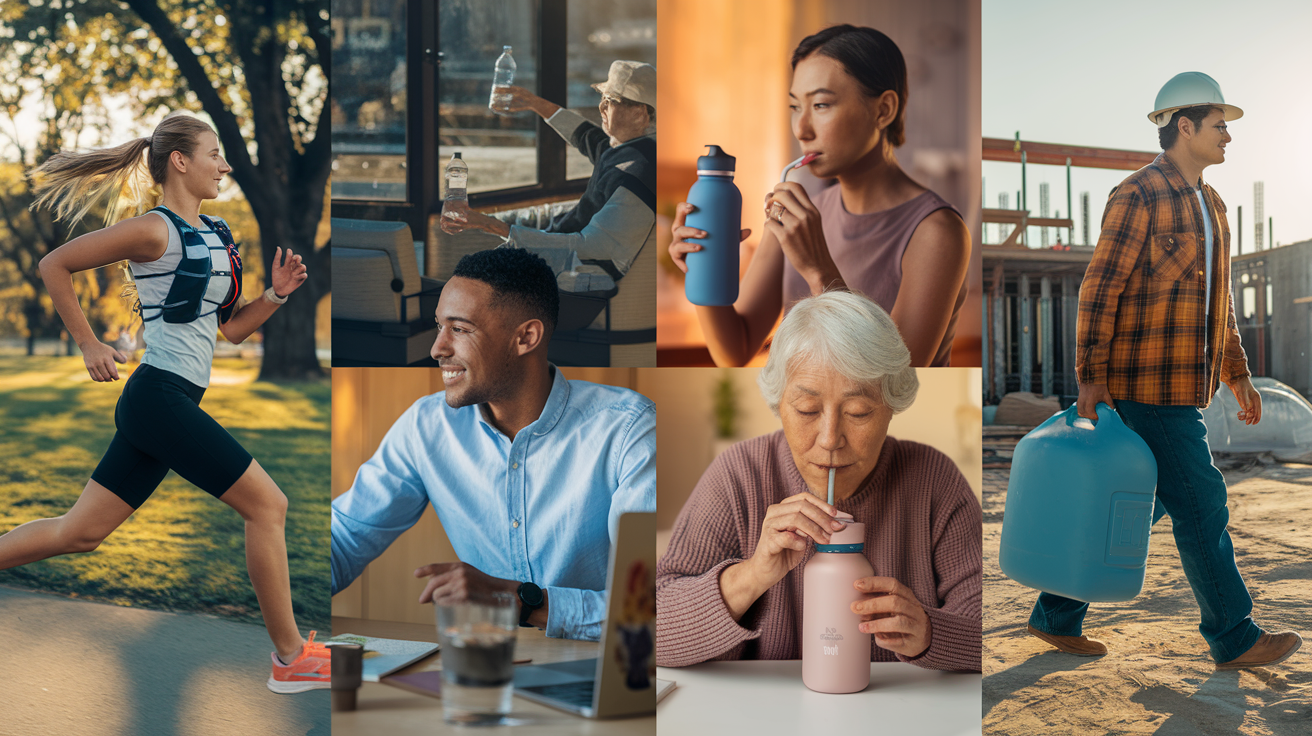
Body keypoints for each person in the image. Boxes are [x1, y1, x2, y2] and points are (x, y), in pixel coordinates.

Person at [6, 112, 325, 693]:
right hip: (158, 396)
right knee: (268, 506)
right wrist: (88, 343)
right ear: (180, 161)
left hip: (168, 400)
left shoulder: (220, 234)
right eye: (215, 154)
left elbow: (229, 331)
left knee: (78, 533)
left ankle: (292, 656)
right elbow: (54, 264)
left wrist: (275, 296)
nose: (225, 166)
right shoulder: (154, 230)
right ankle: (290, 657)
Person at [1029, 72, 1301, 669]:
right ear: (1184, 125)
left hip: (1186, 385)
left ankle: (1055, 613)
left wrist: (1238, 372)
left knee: (1136, 502)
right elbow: (1100, 288)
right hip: (1144, 387)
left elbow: (1218, 300)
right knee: (1202, 502)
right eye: (1219, 124)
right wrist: (1090, 377)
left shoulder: (1213, 204)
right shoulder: (1138, 195)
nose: (1228, 135)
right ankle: (1234, 636)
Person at [330, 248, 656, 641]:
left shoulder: (627, 429)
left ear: (526, 337)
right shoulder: (427, 426)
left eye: (460, 329)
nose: (436, 349)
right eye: (439, 326)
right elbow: (345, 538)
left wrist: (519, 601)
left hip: (605, 671)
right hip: (484, 667)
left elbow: (648, 606)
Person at [656, 290, 981, 671]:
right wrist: (752, 575)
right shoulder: (738, 473)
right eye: (807, 409)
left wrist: (929, 632)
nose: (829, 438)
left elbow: (986, 624)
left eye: (858, 412)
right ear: (779, 403)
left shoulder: (934, 479)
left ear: (892, 406)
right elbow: (651, 629)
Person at [668, 25, 970, 368]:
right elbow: (734, 350)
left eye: (822, 104)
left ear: (883, 110)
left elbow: (893, 379)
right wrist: (701, 270)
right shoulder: (794, 216)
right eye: (796, 107)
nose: (802, 129)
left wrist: (819, 272)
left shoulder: (937, 232)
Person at [441, 60, 656, 286]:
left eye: (611, 101)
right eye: (603, 98)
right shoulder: (624, 150)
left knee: (473, 275)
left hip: (575, 274)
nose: (601, 107)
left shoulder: (638, 173)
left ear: (639, 114)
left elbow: (593, 247)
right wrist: (534, 103)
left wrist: (494, 226)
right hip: (560, 250)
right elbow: (583, 134)